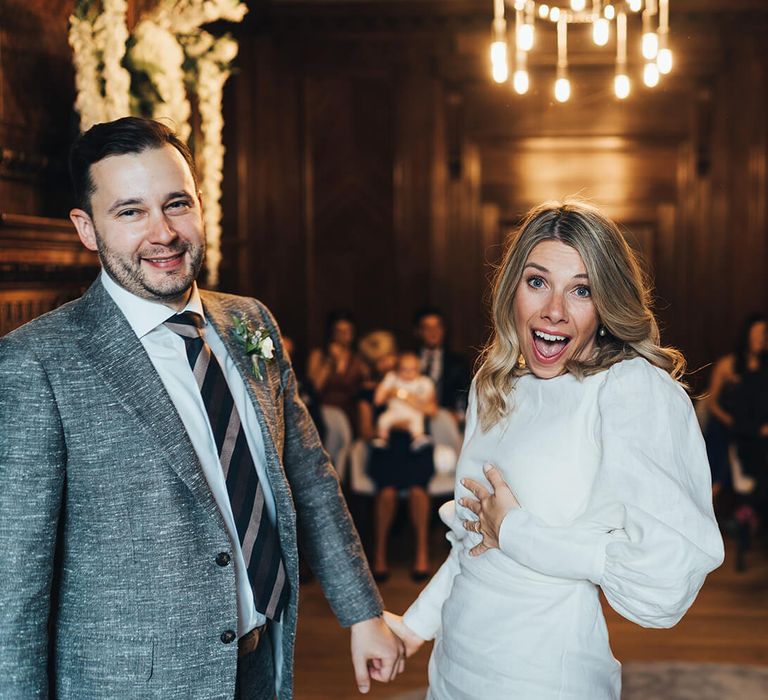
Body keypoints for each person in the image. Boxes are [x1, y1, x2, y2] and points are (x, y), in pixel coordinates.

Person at [0, 117, 404, 699]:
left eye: (176, 204)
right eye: (130, 212)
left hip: (262, 663)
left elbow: (308, 478)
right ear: (87, 229)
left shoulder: (249, 321)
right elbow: (15, 588)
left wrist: (362, 612)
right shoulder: (36, 364)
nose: (163, 233)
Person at [385, 200, 724, 699]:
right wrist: (412, 629)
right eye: (537, 281)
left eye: (581, 290)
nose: (554, 311)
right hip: (454, 666)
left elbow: (665, 579)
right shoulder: (494, 384)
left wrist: (519, 532)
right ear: (512, 289)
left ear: (607, 302)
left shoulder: (627, 391)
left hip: (545, 676)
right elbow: (474, 541)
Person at [703, 313, 767, 492]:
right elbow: (711, 403)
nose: (760, 340)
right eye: (756, 335)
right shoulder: (727, 365)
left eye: (763, 336)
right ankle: (714, 488)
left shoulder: (764, 369)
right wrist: (730, 421)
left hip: (754, 423)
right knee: (720, 435)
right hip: (727, 420)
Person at [307, 310, 370, 432]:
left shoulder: (358, 358)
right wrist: (330, 362)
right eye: (340, 331)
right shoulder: (319, 355)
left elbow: (365, 387)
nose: (344, 335)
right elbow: (314, 388)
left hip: (350, 412)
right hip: (323, 412)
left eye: (348, 331)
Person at [373, 351, 437, 447]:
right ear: (398, 369)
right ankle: (382, 438)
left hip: (413, 414)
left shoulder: (424, 383)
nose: (408, 373)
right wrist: (386, 393)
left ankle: (418, 438)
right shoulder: (392, 378)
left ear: (418, 369)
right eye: (404, 369)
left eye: (412, 369)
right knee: (383, 420)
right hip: (394, 418)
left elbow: (432, 410)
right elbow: (378, 399)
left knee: (417, 419)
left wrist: (402, 395)